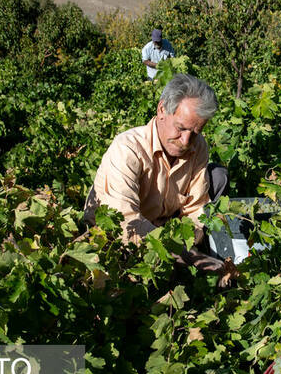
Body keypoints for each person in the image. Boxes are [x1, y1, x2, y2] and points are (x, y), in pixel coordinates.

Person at [83, 73, 233, 278]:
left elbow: (197, 208)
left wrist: (190, 240)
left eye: (196, 132)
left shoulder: (198, 147)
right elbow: (128, 225)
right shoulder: (128, 149)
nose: (186, 140)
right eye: (181, 128)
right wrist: (192, 258)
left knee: (218, 176)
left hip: (165, 229)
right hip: (119, 237)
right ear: (162, 110)